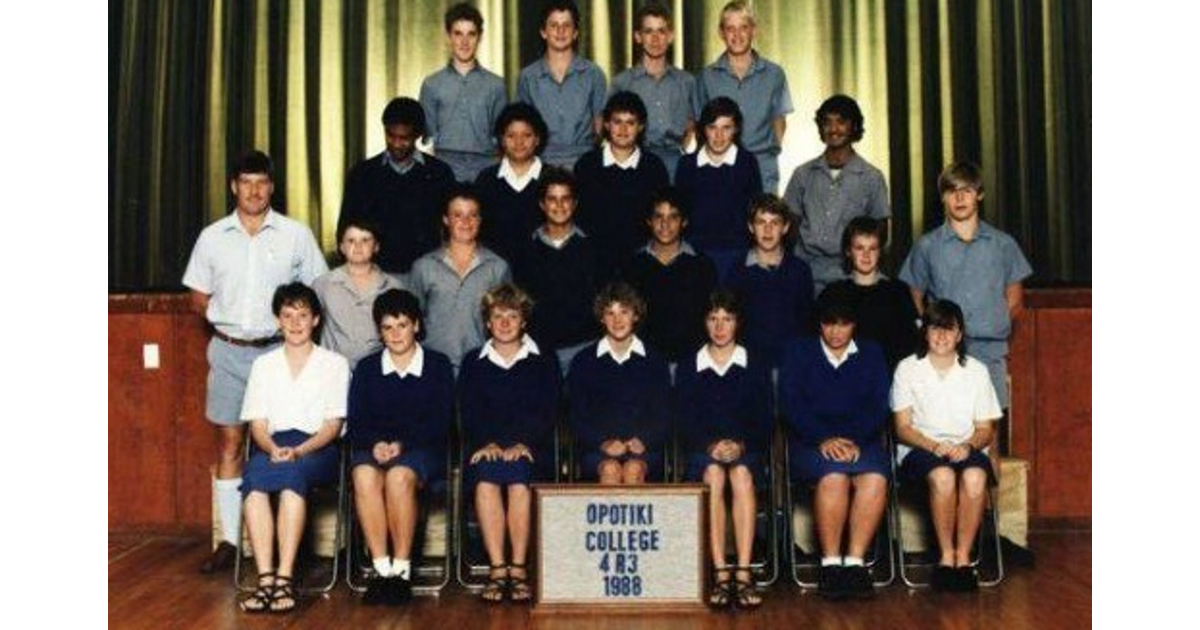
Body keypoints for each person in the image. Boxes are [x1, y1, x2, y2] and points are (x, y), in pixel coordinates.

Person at [182, 150, 328, 574]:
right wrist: (229, 328)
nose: (254, 190)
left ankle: (291, 549)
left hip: (278, 353)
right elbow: (197, 297)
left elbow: (314, 290)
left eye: (262, 182)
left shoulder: (294, 234)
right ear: (233, 186)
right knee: (230, 444)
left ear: (272, 187)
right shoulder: (212, 237)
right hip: (227, 351)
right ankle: (230, 541)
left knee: (283, 443)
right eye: (246, 182)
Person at [236, 283, 349, 613]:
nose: (296, 323)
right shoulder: (264, 365)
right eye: (288, 316)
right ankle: (266, 579)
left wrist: (299, 450)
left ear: (315, 319)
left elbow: (333, 426)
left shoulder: (334, 363)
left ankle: (285, 579)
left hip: (317, 448)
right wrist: (272, 448)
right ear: (278, 320)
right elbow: (257, 424)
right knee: (254, 483)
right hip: (273, 445)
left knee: (290, 481)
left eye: (303, 315)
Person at [780, 286, 891, 599]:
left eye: (844, 324)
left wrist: (854, 440)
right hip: (811, 443)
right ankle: (830, 565)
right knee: (834, 476)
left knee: (874, 478)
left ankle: (855, 564)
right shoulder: (798, 351)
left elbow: (878, 405)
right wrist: (822, 439)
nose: (836, 331)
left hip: (861, 440)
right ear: (819, 323)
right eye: (829, 323)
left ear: (854, 324)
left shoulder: (871, 353)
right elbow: (790, 405)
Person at [347, 289, 455, 605]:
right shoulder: (367, 368)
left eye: (402, 325)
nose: (395, 334)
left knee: (398, 477)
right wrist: (376, 443)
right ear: (379, 331)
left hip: (422, 449)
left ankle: (402, 570)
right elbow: (357, 419)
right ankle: (382, 571)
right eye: (387, 327)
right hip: (376, 448)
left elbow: (440, 420)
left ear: (417, 325)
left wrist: (401, 445)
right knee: (364, 476)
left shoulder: (437, 364)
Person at [898, 161, 1033, 410]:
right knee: (944, 427)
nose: (960, 198)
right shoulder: (927, 246)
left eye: (967, 190)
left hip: (990, 352)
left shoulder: (1003, 245)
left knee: (987, 433)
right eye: (952, 191)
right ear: (943, 197)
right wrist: (935, 332)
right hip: (943, 353)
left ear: (979, 195)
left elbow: (1015, 302)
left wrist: (993, 327)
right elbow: (913, 295)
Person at [458, 284, 562, 603]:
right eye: (497, 316)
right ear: (487, 323)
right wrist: (486, 442)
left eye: (512, 316)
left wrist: (524, 442)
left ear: (524, 321)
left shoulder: (543, 359)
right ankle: (497, 568)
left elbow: (550, 408)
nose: (504, 323)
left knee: (519, 478)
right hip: (484, 447)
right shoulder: (473, 361)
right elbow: (467, 409)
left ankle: (518, 568)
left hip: (531, 448)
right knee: (487, 479)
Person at [891, 299, 1001, 592]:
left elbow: (985, 429)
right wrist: (933, 446)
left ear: (960, 334)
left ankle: (963, 559)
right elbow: (902, 428)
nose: (941, 337)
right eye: (934, 329)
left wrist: (967, 447)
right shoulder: (908, 368)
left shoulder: (976, 371)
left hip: (967, 446)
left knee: (975, 476)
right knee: (943, 476)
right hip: (921, 449)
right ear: (924, 332)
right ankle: (945, 557)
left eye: (948, 330)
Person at [675, 290, 771, 609]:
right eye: (713, 319)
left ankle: (742, 573)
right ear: (704, 323)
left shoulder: (754, 363)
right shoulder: (690, 365)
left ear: (737, 323)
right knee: (714, 474)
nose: (719, 327)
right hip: (704, 452)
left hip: (747, 449)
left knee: (742, 474)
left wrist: (740, 444)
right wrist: (710, 445)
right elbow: (684, 419)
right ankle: (719, 572)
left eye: (727, 319)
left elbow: (765, 419)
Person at [783, 95, 891, 295]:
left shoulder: (871, 177)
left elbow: (880, 230)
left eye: (841, 122)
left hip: (850, 275)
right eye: (827, 123)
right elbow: (789, 225)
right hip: (807, 274)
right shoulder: (803, 174)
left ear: (854, 127)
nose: (834, 129)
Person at [567, 282, 671, 484]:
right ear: (601, 318)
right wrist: (603, 443)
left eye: (624, 312)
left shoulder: (655, 361)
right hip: (597, 451)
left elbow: (664, 415)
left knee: (633, 469)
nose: (617, 320)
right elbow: (577, 417)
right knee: (610, 469)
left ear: (636, 315)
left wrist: (645, 440)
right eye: (610, 313)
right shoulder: (583, 361)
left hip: (644, 449)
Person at [338, 97, 456, 275]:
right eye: (391, 136)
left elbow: (451, 230)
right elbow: (345, 229)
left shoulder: (439, 174)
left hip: (426, 274)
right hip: (374, 274)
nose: (396, 144)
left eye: (404, 138)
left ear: (417, 135)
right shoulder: (362, 174)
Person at [408, 185, 512, 372]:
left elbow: (507, 319)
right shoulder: (424, 266)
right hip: (434, 366)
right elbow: (412, 320)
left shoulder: (497, 267)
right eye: (458, 215)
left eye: (473, 215)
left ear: (480, 220)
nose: (466, 222)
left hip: (482, 365)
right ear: (446, 219)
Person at [697, 0, 793, 194]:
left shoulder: (774, 74)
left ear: (753, 30)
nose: (737, 35)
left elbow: (779, 122)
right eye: (730, 29)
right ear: (721, 33)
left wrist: (767, 155)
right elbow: (700, 127)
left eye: (743, 28)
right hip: (720, 169)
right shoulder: (707, 77)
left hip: (762, 168)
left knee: (764, 221)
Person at [513, 166, 602, 374]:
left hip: (584, 348)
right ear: (542, 204)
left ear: (575, 203)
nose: (559, 205)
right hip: (539, 351)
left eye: (566, 198)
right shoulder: (526, 249)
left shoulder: (594, 247)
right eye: (552, 199)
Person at [574, 91, 670, 276]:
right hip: (594, 262)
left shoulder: (653, 167)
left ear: (641, 126)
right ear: (606, 124)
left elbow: (659, 220)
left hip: (643, 262)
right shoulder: (587, 165)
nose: (623, 130)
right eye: (617, 122)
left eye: (630, 123)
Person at [620, 187, 717, 366]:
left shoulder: (702, 265)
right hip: (644, 364)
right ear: (649, 221)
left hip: (691, 364)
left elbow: (711, 318)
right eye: (659, 217)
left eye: (673, 217)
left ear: (684, 221)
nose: (665, 225)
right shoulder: (632, 266)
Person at [674, 96, 762, 281]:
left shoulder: (747, 163)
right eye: (712, 128)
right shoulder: (687, 165)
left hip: (737, 255)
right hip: (695, 254)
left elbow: (755, 214)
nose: (719, 136)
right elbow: (680, 214)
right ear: (702, 130)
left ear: (736, 129)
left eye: (726, 128)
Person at [610, 1, 699, 180]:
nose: (655, 39)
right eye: (648, 31)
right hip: (635, 163)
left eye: (661, 31)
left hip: (676, 163)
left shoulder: (687, 82)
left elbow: (695, 125)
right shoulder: (622, 83)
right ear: (638, 36)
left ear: (671, 36)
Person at [419, 2, 507, 183]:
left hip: (486, 166)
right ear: (448, 36)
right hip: (444, 164)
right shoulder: (432, 84)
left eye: (471, 34)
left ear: (480, 37)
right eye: (458, 34)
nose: (464, 42)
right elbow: (427, 137)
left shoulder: (496, 85)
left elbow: (502, 134)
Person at [726, 193, 814, 371]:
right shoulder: (737, 270)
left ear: (786, 227)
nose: (767, 230)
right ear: (751, 226)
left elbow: (807, 325)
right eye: (761, 222)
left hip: (791, 366)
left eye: (774, 223)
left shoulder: (800, 270)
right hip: (749, 366)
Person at [516, 0, 607, 170]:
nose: (560, 31)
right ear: (543, 32)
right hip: (539, 164)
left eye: (567, 25)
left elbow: (600, 126)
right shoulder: (528, 77)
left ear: (575, 32)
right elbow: (522, 128)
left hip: (585, 162)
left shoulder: (593, 74)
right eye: (554, 25)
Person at [820, 217, 919, 371]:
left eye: (872, 248)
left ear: (880, 252)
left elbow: (912, 346)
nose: (866, 255)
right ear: (848, 251)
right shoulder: (832, 294)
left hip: (889, 380)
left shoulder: (898, 292)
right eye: (859, 248)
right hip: (844, 380)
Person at [312, 217, 405, 368]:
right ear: (341, 247)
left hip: (378, 372)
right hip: (334, 371)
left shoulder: (393, 286)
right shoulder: (323, 285)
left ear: (376, 246)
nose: (358, 246)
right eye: (351, 241)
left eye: (365, 240)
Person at [475, 103, 550, 265]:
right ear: (501, 139)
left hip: (544, 269)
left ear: (537, 139)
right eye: (511, 136)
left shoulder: (551, 179)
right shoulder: (486, 179)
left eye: (527, 135)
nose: (519, 142)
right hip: (496, 274)